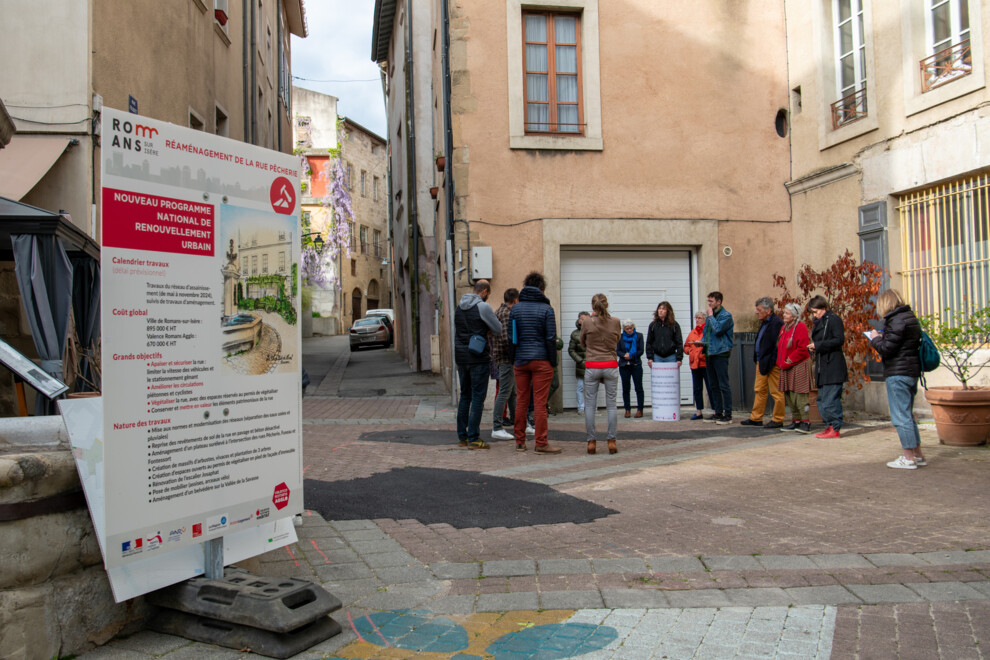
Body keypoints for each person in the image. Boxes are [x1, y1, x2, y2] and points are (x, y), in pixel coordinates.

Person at [868, 289, 925, 469]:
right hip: (911, 371)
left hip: (898, 372)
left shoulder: (896, 320)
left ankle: (908, 458)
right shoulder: (910, 317)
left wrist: (875, 339)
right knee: (908, 414)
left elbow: (886, 348)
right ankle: (918, 454)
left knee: (901, 416)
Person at [510, 271, 561, 454]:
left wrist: (514, 359)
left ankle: (520, 442)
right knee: (539, 403)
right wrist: (552, 362)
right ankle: (541, 443)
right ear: (542, 289)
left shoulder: (515, 309)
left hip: (521, 360)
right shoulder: (547, 309)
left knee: (521, 401)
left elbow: (512, 338)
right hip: (541, 360)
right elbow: (550, 338)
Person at [454, 280, 502, 448]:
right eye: (488, 294)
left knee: (465, 396)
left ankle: (462, 437)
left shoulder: (458, 307)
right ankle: (474, 437)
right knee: (477, 398)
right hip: (478, 357)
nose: (487, 297)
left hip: (461, 357)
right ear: (484, 291)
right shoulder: (483, 307)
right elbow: (498, 329)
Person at [581, 293, 622, 454]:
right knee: (611, 405)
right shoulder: (616, 322)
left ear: (593, 307)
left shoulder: (586, 322)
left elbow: (582, 341)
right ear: (607, 305)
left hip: (592, 365)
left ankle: (591, 441)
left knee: (590, 406)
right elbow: (617, 339)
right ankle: (611, 440)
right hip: (611, 365)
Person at [741, 297, 785, 429]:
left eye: (759, 310)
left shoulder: (776, 323)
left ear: (768, 310)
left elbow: (776, 346)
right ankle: (756, 418)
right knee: (759, 390)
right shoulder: (765, 322)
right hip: (761, 362)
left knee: (776, 392)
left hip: (771, 364)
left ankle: (778, 419)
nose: (756, 312)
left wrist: (772, 362)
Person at [807, 295, 848, 439]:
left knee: (830, 399)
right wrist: (814, 348)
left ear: (823, 308)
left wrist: (818, 345)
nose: (815, 314)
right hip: (823, 365)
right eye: (813, 312)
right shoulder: (820, 322)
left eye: (816, 311)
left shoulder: (833, 319)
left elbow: (839, 340)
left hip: (832, 365)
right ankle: (829, 426)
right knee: (822, 399)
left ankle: (834, 428)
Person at [777, 302, 812, 433]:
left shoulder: (800, 327)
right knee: (789, 394)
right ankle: (796, 420)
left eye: (787, 313)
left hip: (798, 365)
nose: (784, 315)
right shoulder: (784, 328)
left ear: (795, 316)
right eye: (784, 312)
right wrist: (781, 362)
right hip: (786, 366)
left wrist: (789, 360)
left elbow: (802, 349)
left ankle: (805, 422)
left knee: (799, 394)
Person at [489, 288, 519, 441]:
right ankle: (497, 426)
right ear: (514, 300)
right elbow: (508, 339)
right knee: (505, 392)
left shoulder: (498, 311)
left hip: (502, 357)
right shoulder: (507, 314)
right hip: (506, 358)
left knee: (512, 392)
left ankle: (517, 422)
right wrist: (516, 355)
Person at [703, 291, 734, 424]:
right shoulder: (710, 317)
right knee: (713, 385)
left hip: (721, 353)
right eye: (708, 301)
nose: (709, 304)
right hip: (709, 352)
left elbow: (718, 330)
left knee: (723, 385)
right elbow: (706, 333)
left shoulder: (725, 315)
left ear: (718, 302)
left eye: (711, 301)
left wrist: (710, 316)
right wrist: (701, 343)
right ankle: (718, 412)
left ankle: (728, 414)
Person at [683, 311, 714, 420]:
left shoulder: (707, 331)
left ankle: (715, 410)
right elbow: (686, 346)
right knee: (697, 388)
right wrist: (689, 351)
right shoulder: (692, 332)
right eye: (696, 318)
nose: (697, 320)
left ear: (704, 319)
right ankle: (699, 411)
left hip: (704, 363)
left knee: (710, 387)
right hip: (694, 364)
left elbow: (710, 343)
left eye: (699, 318)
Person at [617, 319, 645, 418]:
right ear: (624, 329)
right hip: (624, 366)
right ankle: (627, 409)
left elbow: (641, 350)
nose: (629, 330)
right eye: (627, 328)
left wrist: (632, 356)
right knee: (626, 388)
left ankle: (640, 410)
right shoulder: (620, 337)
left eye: (631, 328)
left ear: (634, 327)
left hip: (636, 364)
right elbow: (617, 350)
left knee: (638, 388)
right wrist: (624, 355)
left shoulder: (639, 336)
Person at [568, 312, 591, 412]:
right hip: (581, 365)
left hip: (593, 364)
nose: (584, 321)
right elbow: (571, 350)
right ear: (579, 320)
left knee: (593, 388)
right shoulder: (575, 334)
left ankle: (592, 408)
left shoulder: (594, 331)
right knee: (580, 387)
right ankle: (581, 408)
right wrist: (580, 361)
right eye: (582, 319)